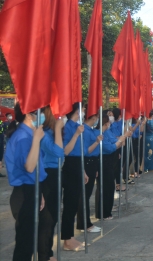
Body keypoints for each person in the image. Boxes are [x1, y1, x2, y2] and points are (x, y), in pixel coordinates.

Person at [5, 104, 54, 261]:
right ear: (29, 115)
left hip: (32, 189)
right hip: (24, 193)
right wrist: (36, 140)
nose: (43, 116)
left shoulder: (29, 135)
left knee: (33, 237)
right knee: (25, 245)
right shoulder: (24, 137)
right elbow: (30, 166)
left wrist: (39, 192)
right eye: (40, 113)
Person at [61, 103, 88, 251]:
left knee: (74, 203)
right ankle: (67, 239)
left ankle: (70, 237)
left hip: (78, 164)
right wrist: (77, 134)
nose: (84, 112)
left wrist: (83, 170)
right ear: (76, 111)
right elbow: (66, 150)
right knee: (70, 203)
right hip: (70, 165)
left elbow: (80, 151)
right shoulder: (68, 128)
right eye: (82, 109)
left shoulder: (78, 126)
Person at [41, 106, 65, 260]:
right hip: (47, 175)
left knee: (54, 216)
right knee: (48, 218)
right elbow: (58, 153)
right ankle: (46, 253)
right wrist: (57, 129)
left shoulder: (49, 132)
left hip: (56, 173)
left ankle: (47, 251)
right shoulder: (43, 134)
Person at [95, 111, 126, 220]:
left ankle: (107, 209)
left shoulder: (107, 132)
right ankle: (102, 212)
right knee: (104, 186)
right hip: (102, 160)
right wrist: (121, 139)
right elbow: (110, 147)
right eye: (108, 121)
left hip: (110, 159)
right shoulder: (98, 133)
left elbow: (115, 141)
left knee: (109, 186)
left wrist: (120, 140)